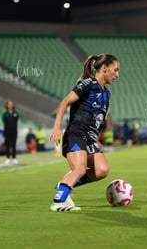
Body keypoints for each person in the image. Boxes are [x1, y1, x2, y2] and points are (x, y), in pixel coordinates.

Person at [49, 53, 120, 212]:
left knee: (102, 170)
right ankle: (58, 201)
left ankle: (66, 184)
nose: (117, 75)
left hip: (89, 138)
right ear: (104, 68)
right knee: (80, 169)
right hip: (76, 133)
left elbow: (99, 120)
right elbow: (65, 102)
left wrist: (97, 139)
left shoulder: (106, 94)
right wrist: (57, 126)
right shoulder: (87, 84)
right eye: (115, 70)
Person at [2, 100, 20, 165]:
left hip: (14, 131)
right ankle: (7, 158)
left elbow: (17, 119)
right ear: (7, 105)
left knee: (13, 145)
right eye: (9, 104)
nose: (10, 105)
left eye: (11, 104)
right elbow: (3, 120)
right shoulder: (4, 113)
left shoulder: (16, 113)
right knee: (7, 145)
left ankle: (14, 158)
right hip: (7, 131)